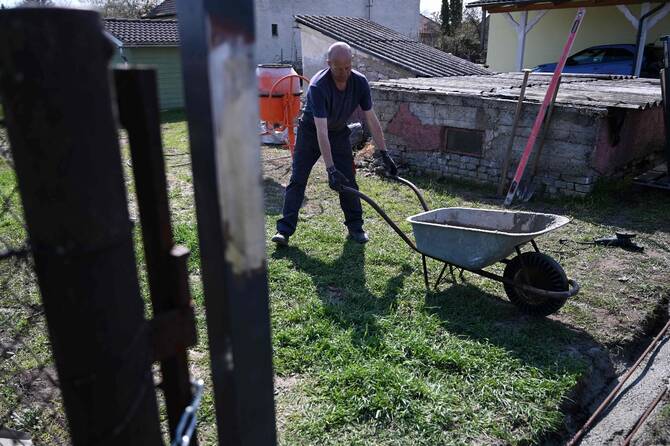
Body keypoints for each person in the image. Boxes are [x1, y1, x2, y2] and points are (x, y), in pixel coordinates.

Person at [271, 42, 397, 247]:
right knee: (298, 179)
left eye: (348, 67)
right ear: (329, 64)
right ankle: (284, 230)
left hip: (338, 133)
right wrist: (330, 169)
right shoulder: (318, 86)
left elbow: (371, 119)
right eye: (339, 69)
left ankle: (356, 227)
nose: (344, 73)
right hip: (311, 133)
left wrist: (384, 152)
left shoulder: (360, 82)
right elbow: (322, 131)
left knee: (348, 180)